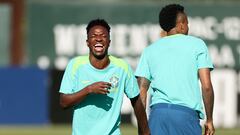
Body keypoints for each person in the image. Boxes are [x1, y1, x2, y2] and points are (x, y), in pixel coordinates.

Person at [59, 19, 150, 135]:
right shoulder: (75, 65)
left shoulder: (122, 67)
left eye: (103, 36)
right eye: (94, 36)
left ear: (109, 42)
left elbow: (136, 101)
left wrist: (146, 132)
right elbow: (63, 102)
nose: (98, 38)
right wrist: (89, 89)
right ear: (87, 42)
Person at [135, 4, 215, 135]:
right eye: (187, 23)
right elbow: (206, 86)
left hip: (157, 116)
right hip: (185, 116)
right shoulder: (197, 45)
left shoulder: (149, 50)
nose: (188, 27)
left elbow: (141, 92)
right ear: (181, 25)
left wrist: (142, 129)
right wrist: (210, 120)